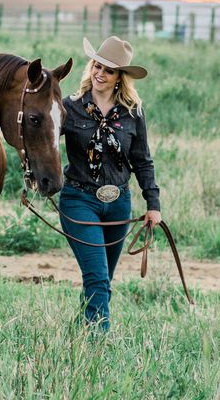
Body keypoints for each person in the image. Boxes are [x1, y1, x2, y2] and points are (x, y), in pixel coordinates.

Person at [59, 35, 161, 330]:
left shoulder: (132, 112)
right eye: (96, 66)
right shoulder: (70, 107)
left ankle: (81, 332)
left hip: (118, 203)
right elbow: (42, 139)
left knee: (102, 278)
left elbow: (143, 160)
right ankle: (97, 344)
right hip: (79, 200)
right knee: (98, 278)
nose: (99, 74)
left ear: (120, 78)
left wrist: (153, 204)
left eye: (108, 70)